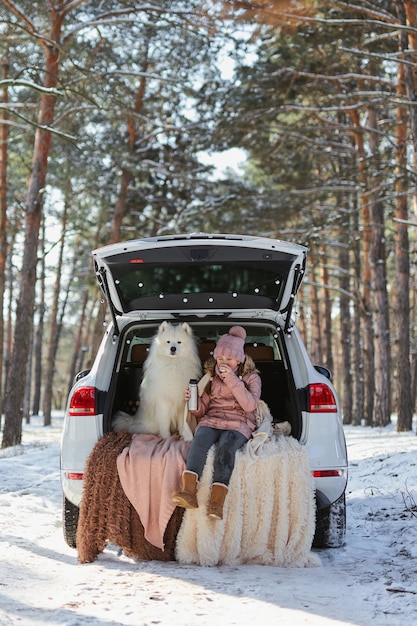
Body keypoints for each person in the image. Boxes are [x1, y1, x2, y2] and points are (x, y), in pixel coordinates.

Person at [172, 326, 261, 520]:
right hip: (212, 420)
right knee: (200, 440)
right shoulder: (211, 378)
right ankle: (188, 492)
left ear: (240, 359)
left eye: (229, 359)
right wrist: (194, 400)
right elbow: (201, 411)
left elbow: (249, 405)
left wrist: (230, 379)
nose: (224, 363)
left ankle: (216, 503)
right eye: (220, 359)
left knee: (225, 449)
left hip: (238, 422)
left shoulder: (251, 378)